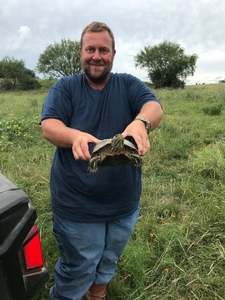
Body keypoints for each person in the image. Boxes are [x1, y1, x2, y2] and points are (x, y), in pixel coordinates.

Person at [40, 21, 163, 300]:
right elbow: (49, 125)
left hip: (123, 203)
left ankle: (97, 294)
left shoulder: (128, 84)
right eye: (91, 49)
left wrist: (141, 122)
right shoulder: (66, 87)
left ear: (113, 54)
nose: (97, 55)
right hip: (77, 204)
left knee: (107, 262)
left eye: (103, 50)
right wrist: (73, 137)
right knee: (79, 267)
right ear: (81, 52)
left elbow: (153, 106)